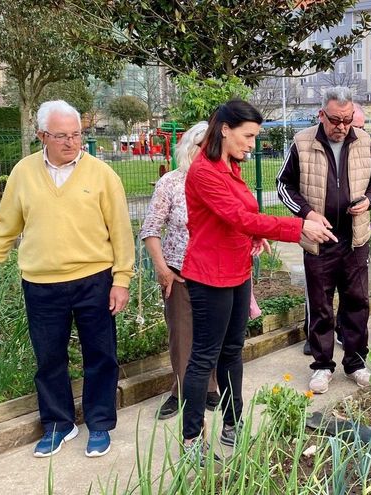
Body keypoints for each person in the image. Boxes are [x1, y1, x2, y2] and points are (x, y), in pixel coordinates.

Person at [0, 100, 134, 458]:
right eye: (62, 136)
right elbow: (4, 231)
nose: (71, 142)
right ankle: (58, 424)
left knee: (101, 356)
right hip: (40, 284)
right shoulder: (23, 173)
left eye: (76, 134)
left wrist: (122, 279)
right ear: (41, 135)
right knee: (49, 357)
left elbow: (121, 232)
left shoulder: (102, 175)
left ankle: (99, 424)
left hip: (93, 280)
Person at [178, 99, 334, 454]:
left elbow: (243, 216)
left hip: (236, 271)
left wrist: (256, 234)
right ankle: (191, 438)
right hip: (209, 276)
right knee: (205, 356)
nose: (252, 144)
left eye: (255, 137)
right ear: (225, 130)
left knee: (233, 351)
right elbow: (239, 217)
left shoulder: (230, 166)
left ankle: (233, 423)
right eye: (248, 136)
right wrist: (299, 226)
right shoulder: (204, 172)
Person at [277, 86, 371, 394]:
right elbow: (284, 185)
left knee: (357, 303)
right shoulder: (302, 142)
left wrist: (370, 200)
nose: (341, 127)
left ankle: (355, 362)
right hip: (319, 240)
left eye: (347, 120)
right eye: (335, 120)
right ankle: (322, 366)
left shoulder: (365, 142)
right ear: (321, 114)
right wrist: (307, 214)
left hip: (355, 239)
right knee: (321, 305)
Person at [141, 121, 232, 420]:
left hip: (217, 272)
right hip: (179, 271)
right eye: (198, 146)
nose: (204, 152)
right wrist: (162, 268)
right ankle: (181, 390)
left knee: (215, 333)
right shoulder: (170, 182)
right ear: (187, 149)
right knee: (181, 334)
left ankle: (210, 387)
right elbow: (151, 229)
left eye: (209, 146)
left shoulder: (224, 180)